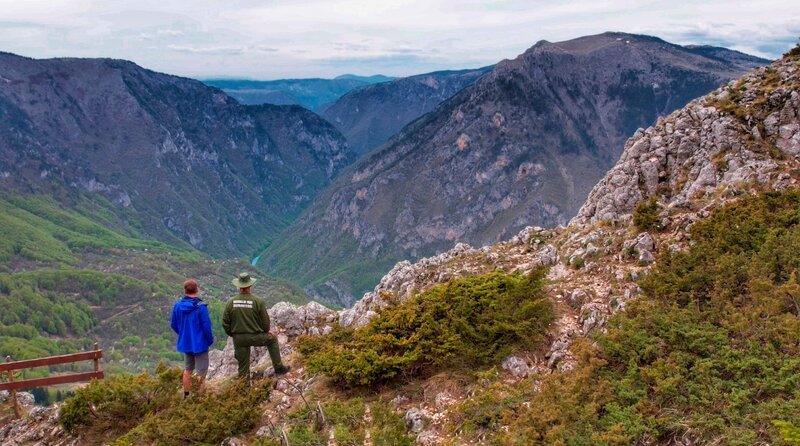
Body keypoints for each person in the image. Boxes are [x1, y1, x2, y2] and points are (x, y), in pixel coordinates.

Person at [223, 272, 289, 380]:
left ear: (239, 286)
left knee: (243, 367)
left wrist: (233, 334)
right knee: (272, 340)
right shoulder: (258, 301)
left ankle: (244, 385)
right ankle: (278, 368)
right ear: (250, 286)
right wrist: (266, 331)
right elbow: (265, 322)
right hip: (255, 336)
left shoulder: (230, 302)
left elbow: (225, 323)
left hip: (239, 339)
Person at [170, 279, 214, 398]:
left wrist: (183, 334)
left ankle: (186, 394)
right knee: (201, 372)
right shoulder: (201, 307)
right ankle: (199, 397)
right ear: (197, 290)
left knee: (188, 370)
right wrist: (209, 340)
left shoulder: (178, 306)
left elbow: (173, 324)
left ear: (185, 291)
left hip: (186, 343)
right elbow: (206, 326)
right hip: (200, 344)